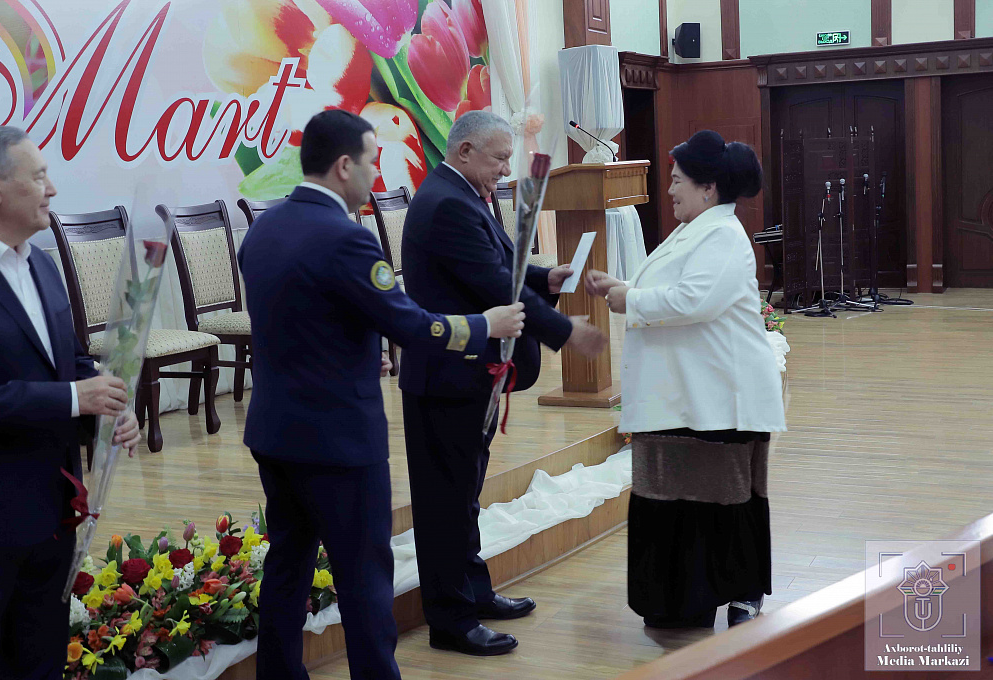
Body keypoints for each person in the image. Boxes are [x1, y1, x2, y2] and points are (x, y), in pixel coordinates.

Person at [237, 109, 527, 680]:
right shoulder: (346, 239)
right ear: (344, 165)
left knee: (287, 568)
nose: (376, 174)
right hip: (339, 440)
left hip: (274, 430)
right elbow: (410, 324)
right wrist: (482, 325)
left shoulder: (262, 229)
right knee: (364, 579)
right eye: (372, 161)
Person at [399, 111, 607, 656]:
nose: (505, 169)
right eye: (499, 158)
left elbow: (500, 263)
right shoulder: (447, 203)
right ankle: (451, 621)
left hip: (469, 375)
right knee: (444, 504)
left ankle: (473, 593)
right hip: (445, 377)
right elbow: (490, 281)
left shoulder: (461, 193)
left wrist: (544, 277)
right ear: (465, 150)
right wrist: (567, 332)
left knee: (464, 495)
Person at [585, 130, 786, 629]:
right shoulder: (694, 227)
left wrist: (630, 299)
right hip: (685, 391)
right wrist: (626, 288)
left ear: (708, 188)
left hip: (720, 394)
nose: (669, 190)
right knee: (672, 497)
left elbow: (694, 300)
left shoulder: (721, 234)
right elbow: (674, 288)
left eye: (676, 181)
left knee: (722, 500)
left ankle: (739, 592)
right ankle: (678, 600)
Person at [0, 126, 141, 680]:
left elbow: (72, 361)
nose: (53, 189)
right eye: (39, 176)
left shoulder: (41, 263)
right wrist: (72, 397)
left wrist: (111, 403)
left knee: (40, 660)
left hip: (52, 512)